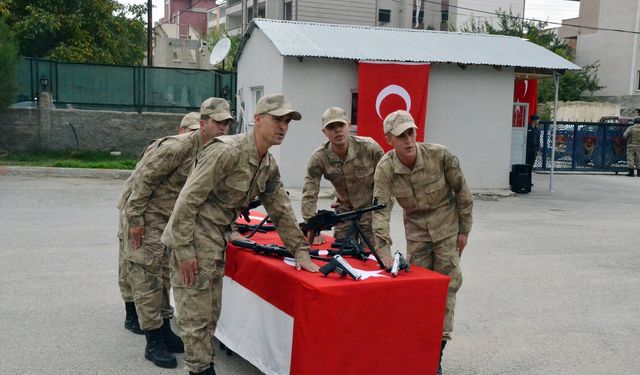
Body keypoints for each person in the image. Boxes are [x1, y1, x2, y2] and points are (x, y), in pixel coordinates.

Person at [161, 94, 319, 375]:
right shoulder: (225, 152)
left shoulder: (267, 163)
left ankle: (202, 365)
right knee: (196, 314)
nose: (283, 126)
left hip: (217, 237)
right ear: (258, 120)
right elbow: (187, 201)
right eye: (277, 119)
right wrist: (184, 251)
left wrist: (300, 250)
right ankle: (200, 369)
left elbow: (280, 208)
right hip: (194, 236)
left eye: (287, 121)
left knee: (210, 312)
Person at [123, 99, 233, 369]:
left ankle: (164, 332)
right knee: (148, 276)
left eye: (226, 123)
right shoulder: (179, 146)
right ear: (203, 124)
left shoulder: (217, 151)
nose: (223, 127)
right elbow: (142, 180)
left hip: (172, 220)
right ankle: (153, 341)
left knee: (164, 276)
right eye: (217, 122)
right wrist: (135, 219)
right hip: (148, 216)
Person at [372, 110, 473, 375]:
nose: (408, 140)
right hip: (416, 234)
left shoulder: (440, 156)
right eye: (400, 136)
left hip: (447, 229)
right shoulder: (385, 168)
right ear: (389, 140)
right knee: (420, 295)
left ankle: (436, 355)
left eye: (411, 132)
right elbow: (380, 210)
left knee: (447, 289)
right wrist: (382, 250)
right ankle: (420, 350)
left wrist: (464, 230)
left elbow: (463, 192)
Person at [116, 111, 201, 335]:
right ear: (181, 130)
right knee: (132, 263)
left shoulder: (198, 152)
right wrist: (134, 217)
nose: (194, 135)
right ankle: (131, 313)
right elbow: (141, 182)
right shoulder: (166, 148)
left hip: (162, 216)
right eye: (191, 131)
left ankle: (154, 318)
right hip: (136, 210)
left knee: (160, 268)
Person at [301, 106, 384, 244]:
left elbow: (387, 181)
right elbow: (309, 193)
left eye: (341, 125)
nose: (337, 130)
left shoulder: (370, 148)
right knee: (342, 254)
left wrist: (381, 215)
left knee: (373, 257)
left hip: (371, 211)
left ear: (349, 125)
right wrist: (313, 228)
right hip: (344, 212)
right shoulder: (319, 157)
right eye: (331, 127)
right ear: (324, 132)